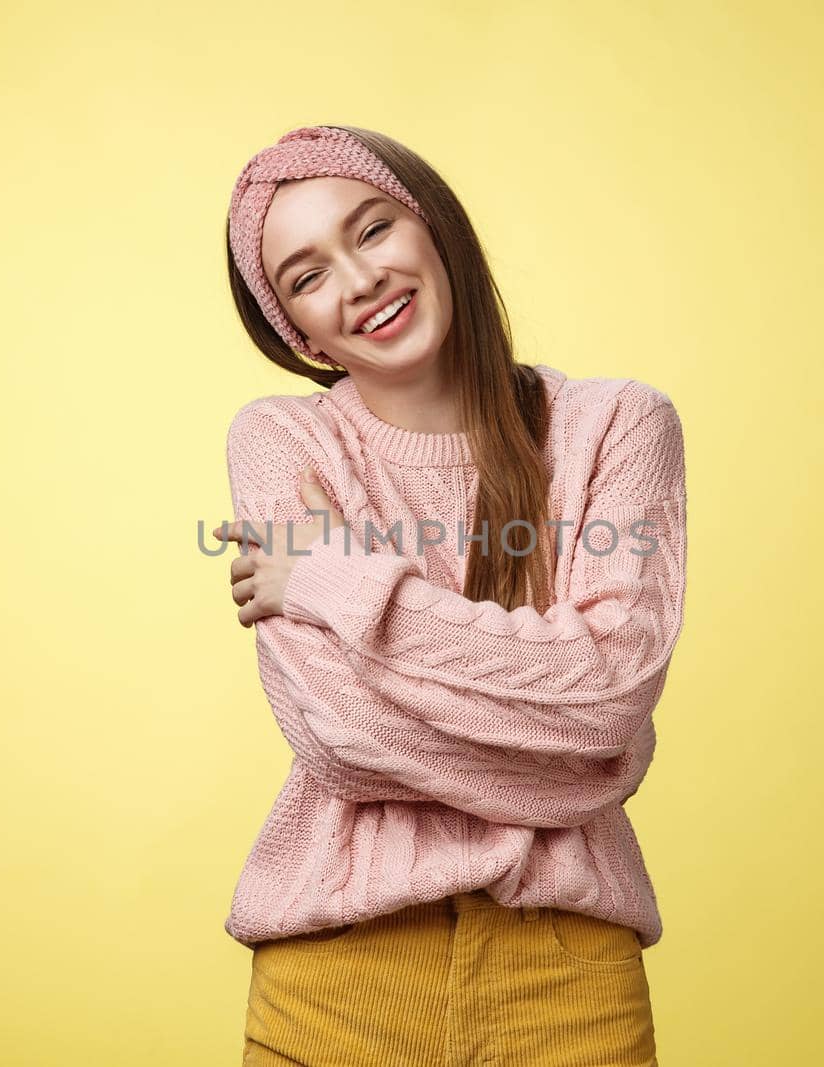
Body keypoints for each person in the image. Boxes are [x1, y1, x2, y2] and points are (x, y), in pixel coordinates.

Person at [212, 124, 687, 1066]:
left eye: (374, 229)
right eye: (306, 277)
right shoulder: (283, 445)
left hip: (569, 979)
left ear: (435, 226)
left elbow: (606, 700)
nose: (358, 281)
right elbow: (340, 734)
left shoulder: (616, 426)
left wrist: (332, 578)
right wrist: (565, 760)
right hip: (334, 976)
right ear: (294, 331)